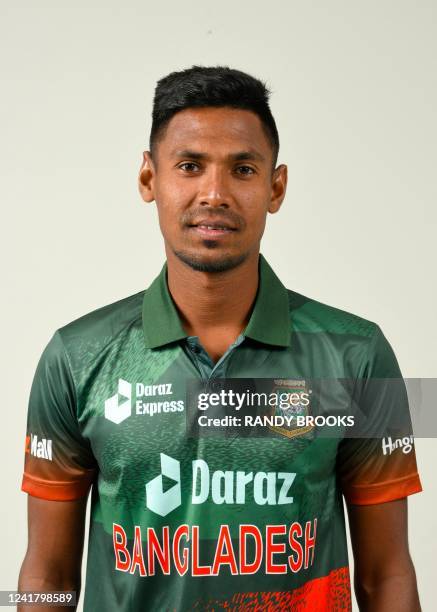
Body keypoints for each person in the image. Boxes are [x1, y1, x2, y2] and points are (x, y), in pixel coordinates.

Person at [18, 65, 422, 611]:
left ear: (275, 187)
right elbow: (47, 573)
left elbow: (388, 574)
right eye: (189, 166)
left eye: (243, 169)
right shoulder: (76, 356)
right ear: (148, 179)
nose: (214, 193)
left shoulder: (356, 354)